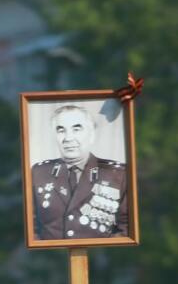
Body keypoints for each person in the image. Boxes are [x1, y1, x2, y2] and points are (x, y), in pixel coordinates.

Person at [29, 102, 129, 240]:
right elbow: (31, 229)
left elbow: (126, 228)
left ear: (91, 134)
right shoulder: (39, 173)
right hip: (51, 253)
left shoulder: (118, 175)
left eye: (76, 129)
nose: (68, 138)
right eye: (61, 130)